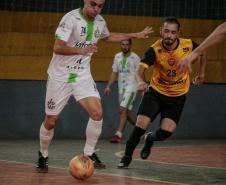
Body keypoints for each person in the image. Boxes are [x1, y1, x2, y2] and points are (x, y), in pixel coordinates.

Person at [36, 0, 153, 173]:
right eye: (93, 4)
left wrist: (134, 35)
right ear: (85, 1)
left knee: (97, 113)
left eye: (100, 6)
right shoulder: (70, 19)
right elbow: (58, 47)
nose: (96, 9)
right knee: (51, 121)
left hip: (82, 76)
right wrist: (81, 50)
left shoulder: (100, 21)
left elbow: (107, 36)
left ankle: (89, 153)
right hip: (60, 77)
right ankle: (43, 154)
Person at [117, 17, 207, 168]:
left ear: (178, 33)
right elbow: (140, 70)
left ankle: (150, 139)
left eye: (173, 32)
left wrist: (202, 74)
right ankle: (126, 157)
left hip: (177, 97)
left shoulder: (188, 45)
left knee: (166, 132)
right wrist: (140, 81)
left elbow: (203, 53)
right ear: (161, 32)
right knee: (140, 126)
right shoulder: (154, 49)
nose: (169, 35)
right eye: (166, 31)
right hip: (156, 94)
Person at [104, 39, 140, 143]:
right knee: (126, 112)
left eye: (127, 45)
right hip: (122, 88)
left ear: (130, 45)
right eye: (122, 44)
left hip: (132, 86)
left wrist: (142, 86)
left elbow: (141, 72)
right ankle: (142, 128)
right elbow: (114, 72)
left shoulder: (135, 58)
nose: (125, 47)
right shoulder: (117, 57)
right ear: (120, 45)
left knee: (122, 109)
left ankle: (118, 134)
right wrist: (108, 86)